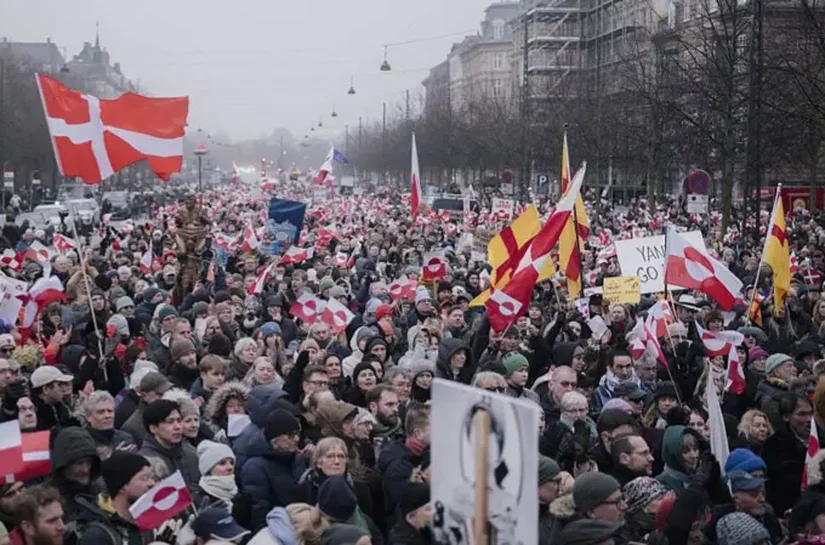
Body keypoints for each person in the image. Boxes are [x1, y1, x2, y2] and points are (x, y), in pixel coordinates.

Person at [240, 409, 307, 530]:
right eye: (290, 435)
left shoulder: (296, 459)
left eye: (298, 433)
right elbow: (258, 511)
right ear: (275, 438)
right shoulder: (255, 467)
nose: (297, 439)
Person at [74, 452, 153, 545]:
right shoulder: (97, 535)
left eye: (151, 477)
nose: (152, 483)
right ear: (123, 486)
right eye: (144, 478)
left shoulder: (143, 525)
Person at [137, 399, 201, 498]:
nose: (177, 426)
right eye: (170, 422)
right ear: (153, 428)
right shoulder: (145, 462)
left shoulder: (190, 453)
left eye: (179, 420)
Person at [48, 427, 101, 522]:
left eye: (88, 462)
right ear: (64, 465)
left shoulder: (100, 491)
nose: (85, 469)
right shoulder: (49, 499)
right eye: (79, 463)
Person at [82, 391, 138, 460]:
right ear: (88, 417)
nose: (107, 415)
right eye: (101, 412)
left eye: (110, 411)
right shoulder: (82, 441)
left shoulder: (126, 438)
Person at [30, 366, 79, 431]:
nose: (63, 389)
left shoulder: (60, 408)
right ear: (46, 389)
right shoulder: (35, 416)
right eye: (59, 385)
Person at [197, 440, 239, 512]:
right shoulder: (199, 497)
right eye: (222, 463)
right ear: (208, 469)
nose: (230, 467)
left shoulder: (237, 492)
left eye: (231, 463)